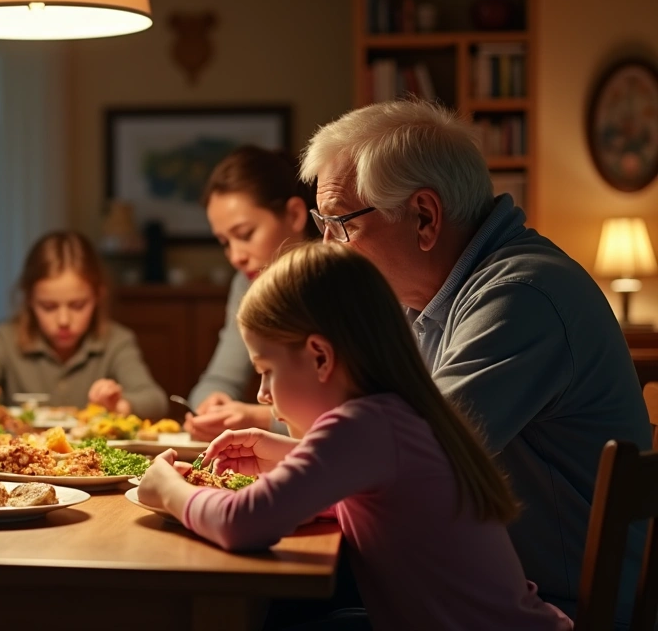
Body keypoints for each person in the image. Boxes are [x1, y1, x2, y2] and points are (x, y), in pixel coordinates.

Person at [301, 99, 650, 625]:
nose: (328, 245)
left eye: (341, 223)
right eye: (321, 223)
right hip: (485, 593)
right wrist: (281, 445)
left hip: (553, 612)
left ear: (424, 216)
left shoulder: (521, 295)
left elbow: (406, 462)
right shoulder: (427, 298)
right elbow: (369, 421)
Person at [138, 243, 572, 631]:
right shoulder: (395, 413)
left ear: (320, 356)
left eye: (267, 370)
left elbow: (244, 524)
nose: (261, 393)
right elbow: (367, 489)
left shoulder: (361, 424)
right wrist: (287, 456)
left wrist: (169, 490)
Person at [185, 145, 318, 441]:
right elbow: (218, 380)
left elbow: (355, 414)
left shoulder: (341, 279)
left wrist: (258, 418)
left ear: (295, 214)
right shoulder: (246, 284)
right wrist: (213, 403)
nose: (235, 256)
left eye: (245, 235)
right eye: (224, 241)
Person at [0, 231, 167, 416]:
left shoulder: (116, 341)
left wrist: (119, 405)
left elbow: (155, 400)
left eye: (77, 305)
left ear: (98, 297)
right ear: (29, 300)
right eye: (48, 307)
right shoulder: (7, 339)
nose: (64, 321)